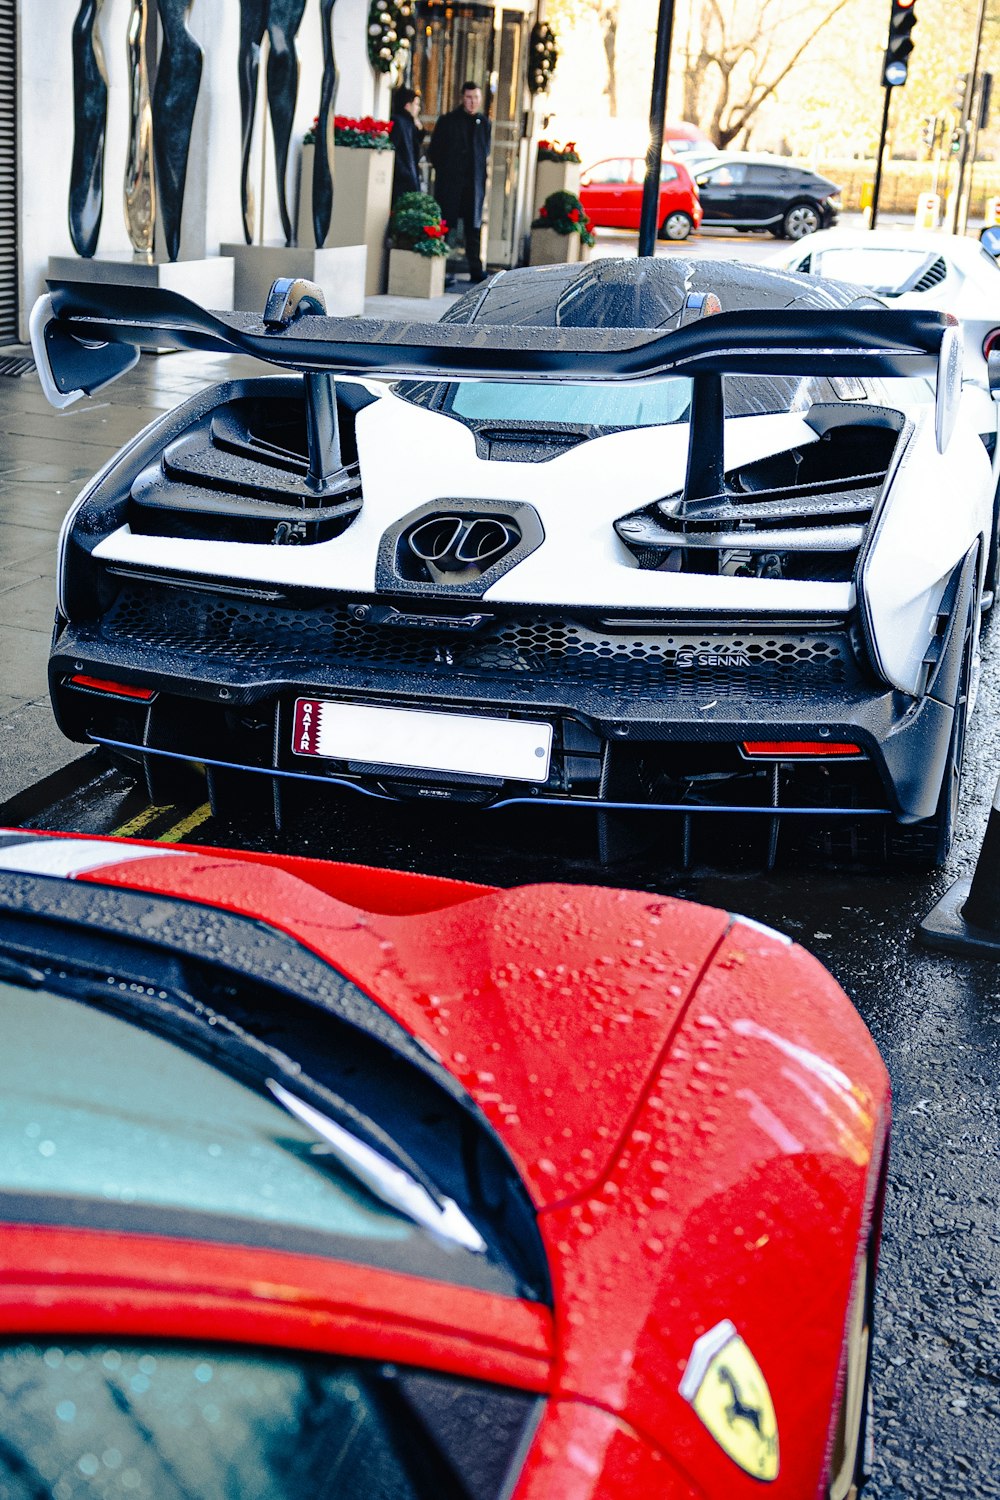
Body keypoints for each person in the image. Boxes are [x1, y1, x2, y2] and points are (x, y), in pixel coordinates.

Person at [428, 80, 491, 282]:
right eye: (469, 98)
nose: (472, 102)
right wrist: (447, 172)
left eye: (476, 98)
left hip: (474, 184)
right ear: (462, 99)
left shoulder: (484, 123)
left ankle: (475, 269)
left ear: (480, 100)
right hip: (451, 184)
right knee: (446, 226)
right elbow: (435, 152)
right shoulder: (448, 121)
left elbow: (484, 152)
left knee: (473, 228)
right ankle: (439, 269)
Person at [390, 87, 423, 202]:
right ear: (407, 105)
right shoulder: (399, 122)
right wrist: (405, 173)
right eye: (416, 104)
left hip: (407, 177)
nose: (418, 109)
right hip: (402, 180)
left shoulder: (408, 123)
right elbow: (394, 149)